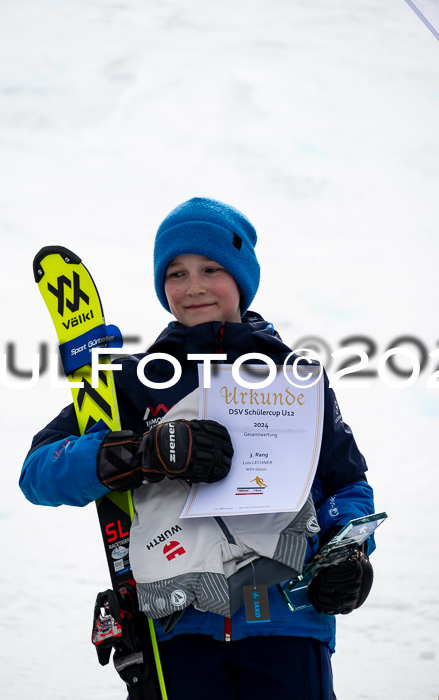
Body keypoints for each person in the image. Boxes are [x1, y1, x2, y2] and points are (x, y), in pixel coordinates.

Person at [20, 197, 376, 699]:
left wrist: (349, 556)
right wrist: (140, 453)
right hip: (176, 632)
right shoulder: (135, 384)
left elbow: (347, 486)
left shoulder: (295, 378)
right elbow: (38, 472)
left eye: (211, 269)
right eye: (176, 273)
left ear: (242, 277)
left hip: (289, 623)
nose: (193, 287)